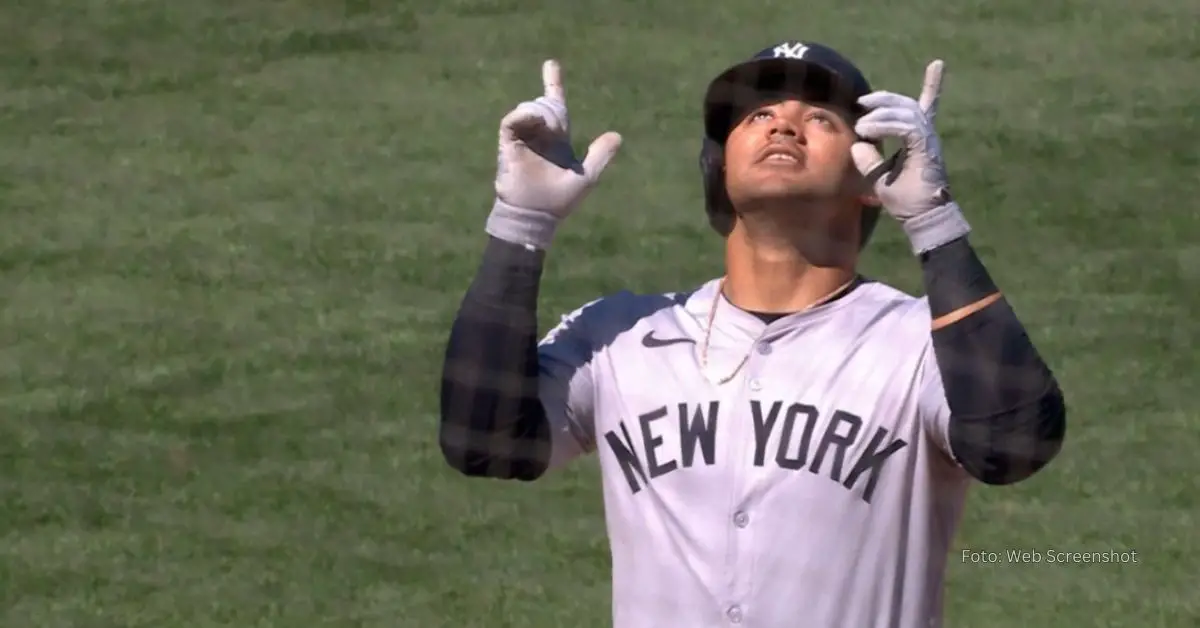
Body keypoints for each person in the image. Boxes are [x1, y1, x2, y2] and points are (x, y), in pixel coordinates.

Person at [439, 40, 1067, 628]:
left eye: (820, 118)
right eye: (757, 114)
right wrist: (519, 225)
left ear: (870, 176)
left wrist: (935, 222)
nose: (783, 125)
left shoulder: (919, 345)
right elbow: (484, 443)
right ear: (718, 166)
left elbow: (1013, 445)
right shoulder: (620, 336)